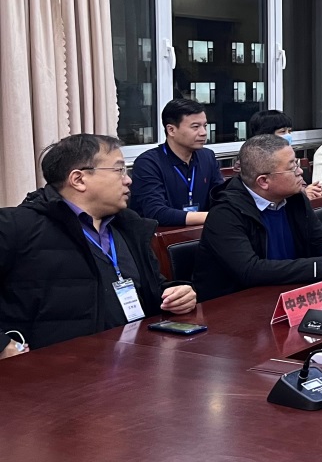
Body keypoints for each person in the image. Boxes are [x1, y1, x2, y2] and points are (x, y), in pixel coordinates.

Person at [0, 135, 197, 356]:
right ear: (79, 179)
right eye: (119, 170)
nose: (128, 180)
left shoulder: (129, 227)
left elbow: (153, 288)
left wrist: (175, 295)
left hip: (136, 359)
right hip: (58, 368)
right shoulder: (18, 226)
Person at [194, 135, 322, 301]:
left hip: (289, 294)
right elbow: (250, 270)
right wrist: (321, 267)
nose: (300, 172)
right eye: (292, 167)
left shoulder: (295, 199)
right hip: (237, 305)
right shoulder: (225, 213)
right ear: (263, 181)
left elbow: (320, 238)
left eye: (297, 163)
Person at [129, 98, 224, 226]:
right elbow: (155, 212)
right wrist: (215, 216)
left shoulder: (207, 157)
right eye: (195, 127)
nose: (203, 133)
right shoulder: (148, 163)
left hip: (204, 232)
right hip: (164, 235)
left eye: (205, 126)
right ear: (171, 130)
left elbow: (221, 197)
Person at [245, 109, 322, 201]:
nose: (288, 135)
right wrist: (304, 193)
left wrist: (309, 190)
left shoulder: (288, 156)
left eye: (289, 131)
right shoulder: (251, 161)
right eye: (283, 131)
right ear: (266, 135)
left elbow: (300, 184)